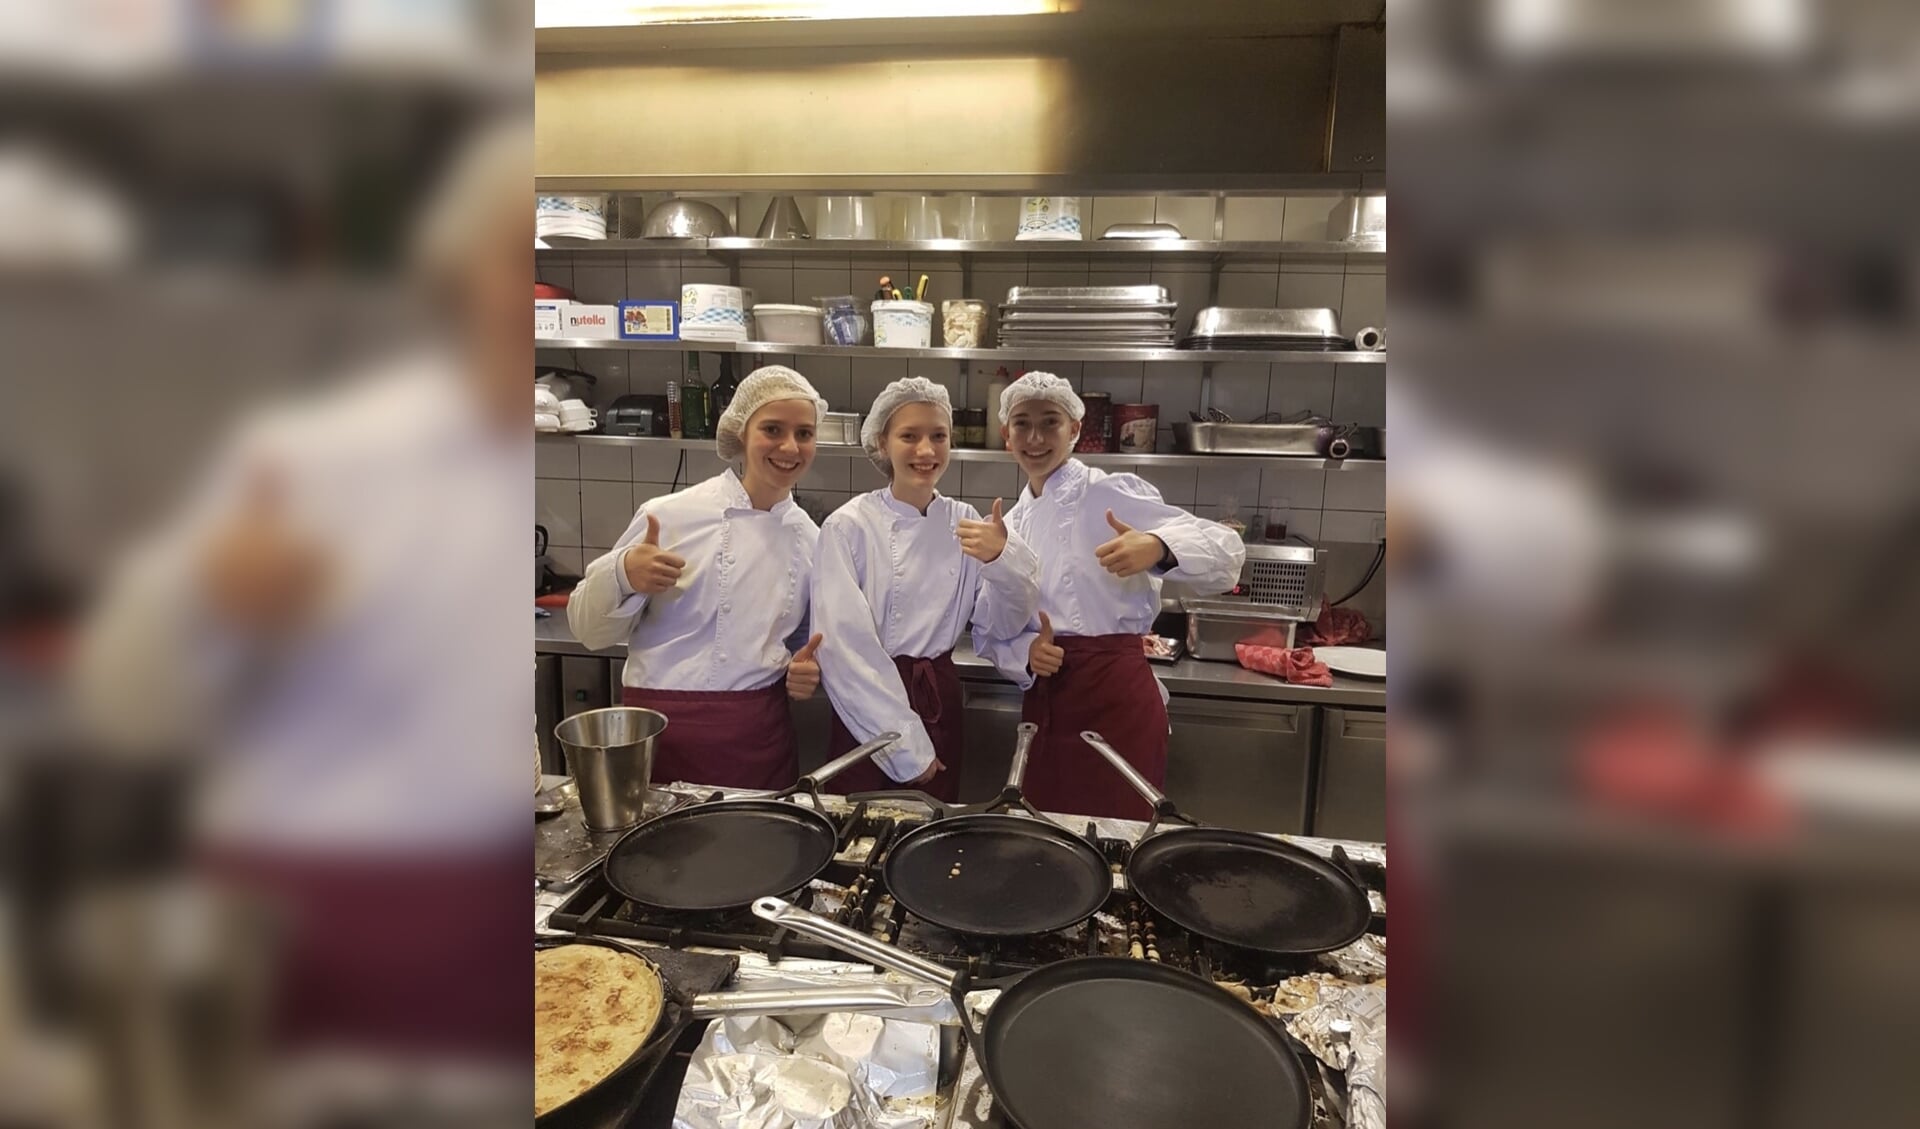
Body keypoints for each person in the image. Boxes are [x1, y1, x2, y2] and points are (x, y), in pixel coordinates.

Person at [981, 371, 1247, 820]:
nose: (1036, 437)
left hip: (1116, 695)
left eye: (1051, 422)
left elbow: (1228, 554)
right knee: (1047, 837)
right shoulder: (1015, 521)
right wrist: (1027, 654)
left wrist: (1159, 546)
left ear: (1076, 431)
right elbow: (991, 629)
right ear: (1006, 436)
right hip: (1047, 699)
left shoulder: (1107, 492)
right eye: (1022, 424)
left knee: (1118, 837)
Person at [568, 365, 835, 790]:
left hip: (756, 739)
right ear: (741, 434)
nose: (790, 446)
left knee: (757, 853)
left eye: (804, 433)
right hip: (660, 734)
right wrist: (623, 575)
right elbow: (587, 631)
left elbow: (802, 644)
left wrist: (803, 672)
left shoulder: (812, 539)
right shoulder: (672, 515)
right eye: (772, 429)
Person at [810, 377, 1041, 800]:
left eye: (938, 436)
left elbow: (1001, 621)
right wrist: (907, 748)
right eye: (909, 436)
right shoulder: (849, 526)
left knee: (930, 839)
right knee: (859, 837)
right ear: (883, 443)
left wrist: (1001, 558)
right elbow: (844, 649)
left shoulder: (965, 520)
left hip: (939, 698)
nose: (926, 450)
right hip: (867, 707)